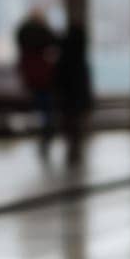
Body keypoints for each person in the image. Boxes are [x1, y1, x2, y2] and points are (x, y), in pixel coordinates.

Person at [14, 8, 58, 154]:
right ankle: (47, 131)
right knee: (47, 106)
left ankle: (44, 131)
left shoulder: (23, 31)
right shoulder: (43, 31)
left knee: (41, 105)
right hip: (43, 74)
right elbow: (54, 42)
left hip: (30, 73)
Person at [53, 24, 94, 166]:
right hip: (77, 95)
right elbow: (85, 81)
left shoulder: (64, 56)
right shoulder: (81, 58)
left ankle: (72, 148)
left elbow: (58, 79)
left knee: (70, 121)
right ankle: (74, 148)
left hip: (67, 95)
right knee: (76, 122)